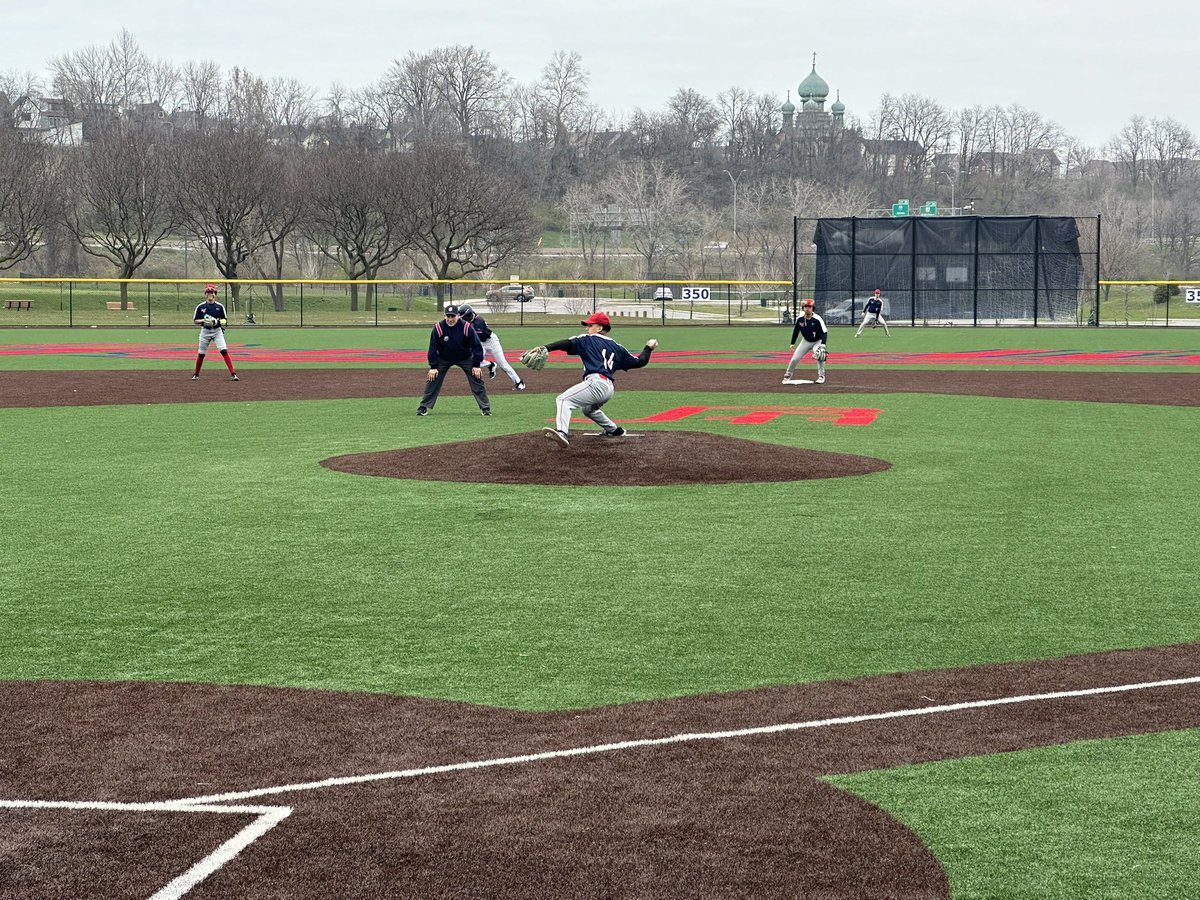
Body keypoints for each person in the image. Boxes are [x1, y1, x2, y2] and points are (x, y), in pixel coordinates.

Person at [535, 312, 658, 448]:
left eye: (590, 325)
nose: (587, 328)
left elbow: (566, 343)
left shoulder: (588, 339)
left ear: (599, 328)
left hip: (596, 384)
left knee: (563, 400)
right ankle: (614, 430)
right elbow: (640, 361)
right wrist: (648, 348)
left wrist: (545, 348)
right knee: (588, 410)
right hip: (608, 389)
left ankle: (562, 433)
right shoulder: (617, 347)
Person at [417, 304, 490, 417]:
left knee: (477, 377)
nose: (450, 319)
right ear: (444, 316)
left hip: (465, 357)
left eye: (453, 316)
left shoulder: (466, 327)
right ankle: (423, 407)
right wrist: (433, 367)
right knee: (432, 378)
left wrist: (476, 365)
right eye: (448, 316)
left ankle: (485, 408)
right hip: (444, 358)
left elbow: (476, 346)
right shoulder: (439, 327)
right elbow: (432, 348)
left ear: (458, 316)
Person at [458, 304, 525, 391]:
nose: (464, 319)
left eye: (465, 317)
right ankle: (490, 365)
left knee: (503, 364)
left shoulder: (478, 321)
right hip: (481, 343)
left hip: (491, 341)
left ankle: (519, 382)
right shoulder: (467, 322)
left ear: (469, 314)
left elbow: (474, 337)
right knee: (473, 361)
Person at [191, 284, 239, 380]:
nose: (210, 294)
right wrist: (204, 320)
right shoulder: (200, 307)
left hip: (217, 331)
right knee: (201, 353)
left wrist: (217, 321)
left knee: (224, 350)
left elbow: (225, 320)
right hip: (205, 331)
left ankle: (233, 374)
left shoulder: (219, 306)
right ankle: (196, 374)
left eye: (212, 292)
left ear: (215, 294)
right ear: (205, 294)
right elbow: (195, 321)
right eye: (208, 292)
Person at [783, 298, 827, 384]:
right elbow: (796, 331)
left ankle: (821, 375)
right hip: (806, 341)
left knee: (820, 356)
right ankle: (788, 374)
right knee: (795, 358)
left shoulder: (817, 319)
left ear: (813, 308)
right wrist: (792, 342)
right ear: (803, 308)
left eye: (809, 307)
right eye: (805, 306)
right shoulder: (800, 319)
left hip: (817, 341)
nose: (807, 308)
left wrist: (823, 345)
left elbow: (824, 332)